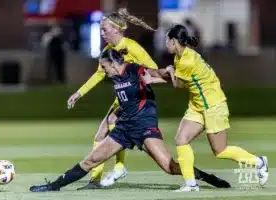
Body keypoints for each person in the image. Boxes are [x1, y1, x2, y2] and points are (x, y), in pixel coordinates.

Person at [30, 49, 230, 193]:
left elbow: (158, 75)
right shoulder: (115, 78)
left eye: (104, 66)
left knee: (170, 168)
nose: (103, 70)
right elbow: (125, 100)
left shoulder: (135, 70)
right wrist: (114, 115)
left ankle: (205, 177)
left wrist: (168, 71)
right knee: (91, 160)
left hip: (144, 126)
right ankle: (53, 186)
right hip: (125, 129)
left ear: (114, 63)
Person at [163, 24, 269, 192]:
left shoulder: (186, 60)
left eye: (167, 39)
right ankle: (191, 183)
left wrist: (169, 71)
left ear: (174, 41)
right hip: (198, 105)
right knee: (181, 139)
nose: (165, 43)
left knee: (220, 151)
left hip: (213, 105)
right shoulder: (181, 56)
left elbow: (178, 85)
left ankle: (259, 162)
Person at [67, 8, 162, 189]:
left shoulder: (132, 47)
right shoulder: (109, 49)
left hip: (135, 101)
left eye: (105, 29)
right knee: (100, 134)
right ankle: (98, 178)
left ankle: (117, 168)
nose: (102, 33)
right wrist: (79, 93)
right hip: (122, 97)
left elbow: (154, 69)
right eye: (101, 29)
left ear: (117, 29)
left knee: (112, 122)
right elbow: (99, 74)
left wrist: (140, 81)